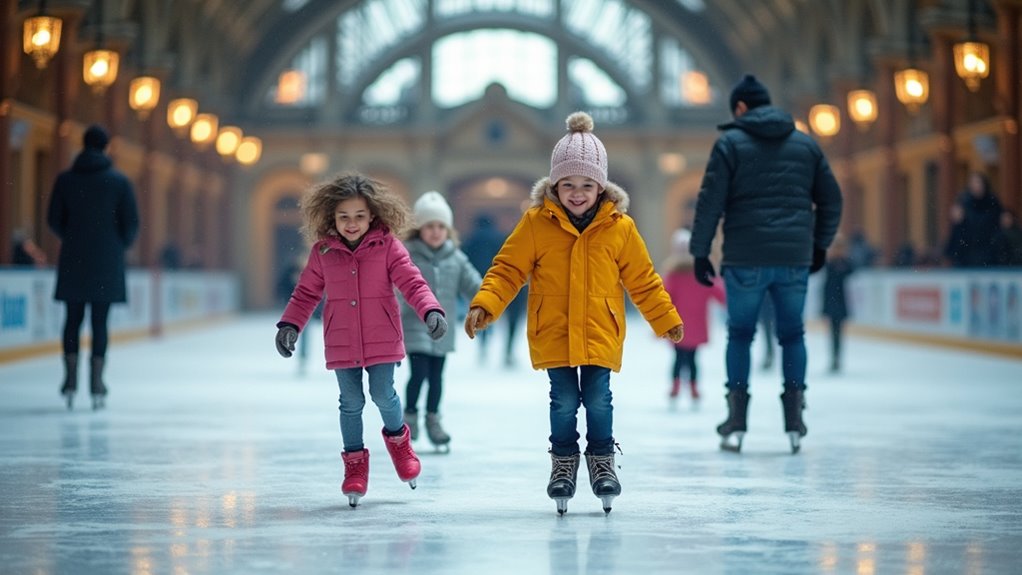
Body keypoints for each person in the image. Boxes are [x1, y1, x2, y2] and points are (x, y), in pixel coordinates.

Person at [463, 112, 684, 515]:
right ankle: (563, 463)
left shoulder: (620, 228)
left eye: (586, 185)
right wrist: (485, 304)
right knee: (563, 401)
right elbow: (508, 269)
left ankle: (602, 462)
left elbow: (643, 278)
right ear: (554, 186)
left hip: (601, 330)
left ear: (601, 187)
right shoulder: (535, 223)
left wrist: (664, 317)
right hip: (555, 330)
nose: (577, 193)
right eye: (568, 185)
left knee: (599, 399)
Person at [274, 172, 449, 507]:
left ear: (373, 217)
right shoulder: (323, 251)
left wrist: (430, 311)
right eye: (343, 217)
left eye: (358, 216)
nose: (351, 224)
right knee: (350, 403)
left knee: (384, 394)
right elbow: (306, 292)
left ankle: (400, 445)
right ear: (332, 218)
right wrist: (291, 325)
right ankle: (355, 467)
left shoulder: (387, 247)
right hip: (342, 340)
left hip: (382, 337)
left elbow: (413, 282)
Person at [688, 75, 842, 454]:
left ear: (740, 108)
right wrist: (819, 246)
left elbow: (710, 202)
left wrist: (700, 251)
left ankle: (736, 421)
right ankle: (794, 419)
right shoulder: (806, 145)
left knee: (740, 335)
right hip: (793, 259)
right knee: (793, 335)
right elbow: (832, 200)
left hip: (745, 258)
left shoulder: (729, 145)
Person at [47, 124, 140, 411]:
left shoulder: (65, 180)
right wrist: (114, 245)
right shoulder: (119, 182)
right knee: (100, 322)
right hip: (106, 262)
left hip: (73, 258)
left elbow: (53, 219)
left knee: (72, 319)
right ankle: (97, 383)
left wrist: (73, 237)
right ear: (106, 146)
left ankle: (70, 379)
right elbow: (131, 223)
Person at [399, 191, 482, 452]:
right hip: (415, 325)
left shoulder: (455, 257)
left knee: (437, 377)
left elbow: (473, 284)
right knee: (419, 372)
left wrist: (489, 300)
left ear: (448, 229)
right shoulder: (407, 256)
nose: (435, 232)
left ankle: (433, 420)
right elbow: (396, 289)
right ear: (419, 230)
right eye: (429, 226)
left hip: (443, 330)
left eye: (440, 227)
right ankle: (410, 416)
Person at [661, 228, 725, 402]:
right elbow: (719, 293)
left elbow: (663, 298)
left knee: (678, 358)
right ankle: (694, 387)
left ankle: (676, 386)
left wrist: (658, 321)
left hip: (676, 325)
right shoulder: (702, 274)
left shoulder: (673, 275)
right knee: (692, 358)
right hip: (696, 325)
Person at [462, 213, 525, 366]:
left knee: (483, 314)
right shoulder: (500, 237)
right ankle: (508, 351)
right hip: (504, 282)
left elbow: (465, 260)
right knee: (512, 318)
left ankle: (484, 345)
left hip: (480, 282)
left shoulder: (471, 239)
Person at [944, 172, 1003, 268]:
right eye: (973, 183)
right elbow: (957, 230)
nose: (976, 186)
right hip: (967, 253)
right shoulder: (963, 202)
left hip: (988, 252)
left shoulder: (993, 203)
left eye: (978, 182)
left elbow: (998, 227)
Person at [821, 235, 854, 372]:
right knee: (832, 333)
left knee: (839, 333)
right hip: (831, 303)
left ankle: (837, 358)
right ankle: (834, 358)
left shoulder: (847, 264)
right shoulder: (829, 264)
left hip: (841, 303)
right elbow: (826, 287)